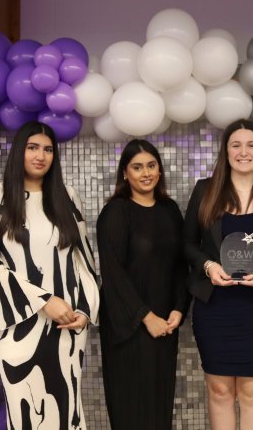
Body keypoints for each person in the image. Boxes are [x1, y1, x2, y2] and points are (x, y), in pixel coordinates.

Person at [0, 121, 100, 430]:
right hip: (17, 324)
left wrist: (84, 310)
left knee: (66, 409)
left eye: (47, 149)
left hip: (65, 325)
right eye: (32, 148)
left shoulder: (67, 197)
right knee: (25, 411)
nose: (40, 156)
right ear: (20, 151)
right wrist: (44, 299)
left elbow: (82, 259)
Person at [183, 119, 253, 430]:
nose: (244, 152)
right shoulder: (205, 190)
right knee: (219, 390)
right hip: (215, 306)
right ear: (226, 151)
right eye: (236, 145)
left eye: (251, 145)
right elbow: (187, 243)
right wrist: (208, 266)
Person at [96, 139, 190, 430]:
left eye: (151, 166)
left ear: (160, 171)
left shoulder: (170, 210)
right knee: (131, 407)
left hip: (164, 324)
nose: (146, 173)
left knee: (159, 405)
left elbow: (180, 265)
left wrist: (178, 309)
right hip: (129, 327)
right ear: (126, 173)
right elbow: (113, 275)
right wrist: (145, 318)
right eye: (137, 167)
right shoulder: (115, 212)